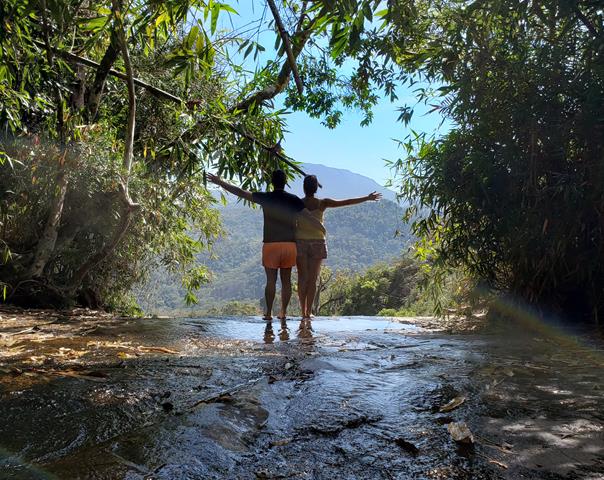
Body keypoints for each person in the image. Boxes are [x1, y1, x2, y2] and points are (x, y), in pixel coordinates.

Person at [207, 170, 325, 321]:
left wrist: (220, 182)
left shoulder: (266, 197)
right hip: (289, 245)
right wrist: (320, 227)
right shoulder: (293, 199)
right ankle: (283, 312)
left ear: (272, 182)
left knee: (270, 281)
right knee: (286, 281)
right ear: (285, 182)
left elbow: (240, 192)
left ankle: (268, 313)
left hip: (270, 245)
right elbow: (308, 216)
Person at [296, 175, 382, 319]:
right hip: (318, 242)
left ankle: (302, 311)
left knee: (302, 277)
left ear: (303, 187)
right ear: (316, 188)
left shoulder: (297, 203)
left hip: (300, 242)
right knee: (312, 279)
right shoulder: (323, 203)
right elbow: (347, 202)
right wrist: (367, 198)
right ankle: (308, 312)